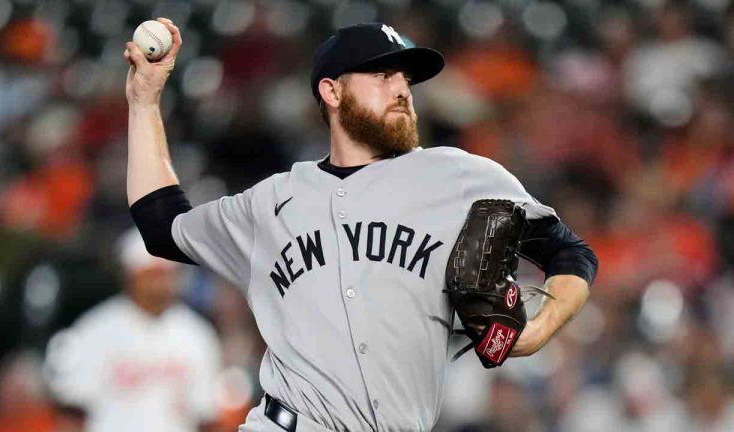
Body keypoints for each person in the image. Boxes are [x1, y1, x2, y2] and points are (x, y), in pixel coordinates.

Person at [123, 19, 597, 432]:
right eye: (381, 73)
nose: (402, 88)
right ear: (332, 91)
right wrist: (145, 102)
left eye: (405, 77)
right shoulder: (271, 202)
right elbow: (162, 226)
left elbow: (571, 254)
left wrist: (537, 331)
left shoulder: (463, 178)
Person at [43, 228, 222, 432]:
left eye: (165, 275)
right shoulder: (95, 329)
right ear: (130, 276)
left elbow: (207, 416)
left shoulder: (197, 334)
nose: (159, 284)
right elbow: (72, 413)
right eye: (150, 275)